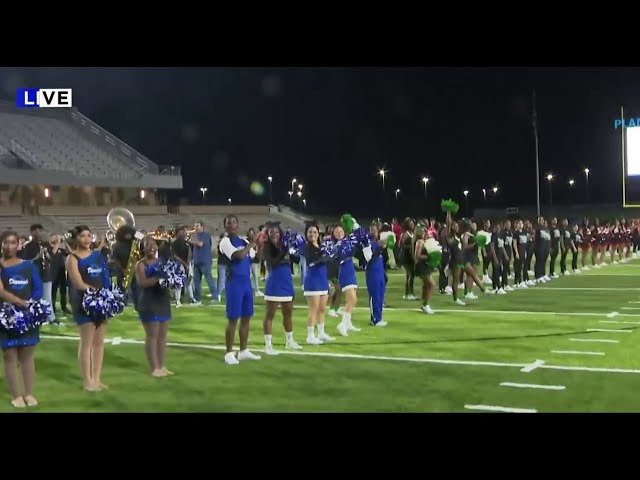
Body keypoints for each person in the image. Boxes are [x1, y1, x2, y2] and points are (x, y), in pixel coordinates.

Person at [66, 225, 111, 391]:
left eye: (89, 235)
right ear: (76, 238)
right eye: (83, 236)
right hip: (83, 302)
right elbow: (77, 282)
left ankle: (97, 379)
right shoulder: (72, 258)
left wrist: (107, 296)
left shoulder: (98, 256)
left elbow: (105, 277)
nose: (87, 239)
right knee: (87, 343)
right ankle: (87, 381)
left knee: (99, 342)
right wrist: (95, 294)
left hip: (101, 302)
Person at [0, 231, 43, 408]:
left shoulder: (29, 266)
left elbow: (38, 288)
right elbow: (1, 292)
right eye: (6, 242)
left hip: (27, 315)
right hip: (5, 315)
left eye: (13, 243)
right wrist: (20, 303)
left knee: (27, 356)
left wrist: (31, 306)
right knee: (9, 356)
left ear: (19, 245)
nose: (9, 246)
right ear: (1, 245)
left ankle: (29, 393)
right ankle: (16, 395)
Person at [219, 215, 263, 365]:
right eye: (228, 223)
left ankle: (243, 351)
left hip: (246, 283)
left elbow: (255, 259)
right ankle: (229, 353)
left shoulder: (243, 241)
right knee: (233, 319)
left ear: (238, 225)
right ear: (225, 226)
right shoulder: (225, 242)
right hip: (234, 283)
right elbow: (238, 256)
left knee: (246, 318)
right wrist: (252, 243)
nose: (231, 225)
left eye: (233, 222)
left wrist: (260, 244)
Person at [258, 223, 301, 354]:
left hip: (287, 283)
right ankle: (268, 346)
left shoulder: (284, 246)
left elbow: (297, 260)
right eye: (271, 232)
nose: (274, 234)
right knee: (270, 315)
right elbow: (273, 263)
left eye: (277, 232)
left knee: (288, 314)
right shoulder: (266, 247)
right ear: (268, 235)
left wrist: (295, 249)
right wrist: (284, 251)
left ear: (280, 233)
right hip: (274, 284)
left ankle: (289, 341)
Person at [135, 236, 173, 377]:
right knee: (152, 336)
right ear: (143, 249)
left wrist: (172, 280)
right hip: (149, 302)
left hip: (162, 300)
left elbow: (169, 279)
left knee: (162, 336)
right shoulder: (141, 264)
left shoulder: (162, 262)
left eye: (154, 244)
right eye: (147, 245)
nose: (152, 247)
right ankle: (154, 368)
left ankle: (162, 366)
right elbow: (142, 283)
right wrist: (159, 277)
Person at [364, 224, 387, 327]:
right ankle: (374, 319)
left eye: (375, 230)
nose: (373, 232)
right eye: (371, 230)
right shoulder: (368, 244)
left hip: (380, 273)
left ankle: (379, 317)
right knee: (374, 296)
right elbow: (369, 258)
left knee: (380, 296)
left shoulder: (378, 244)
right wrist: (379, 246)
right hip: (372, 273)